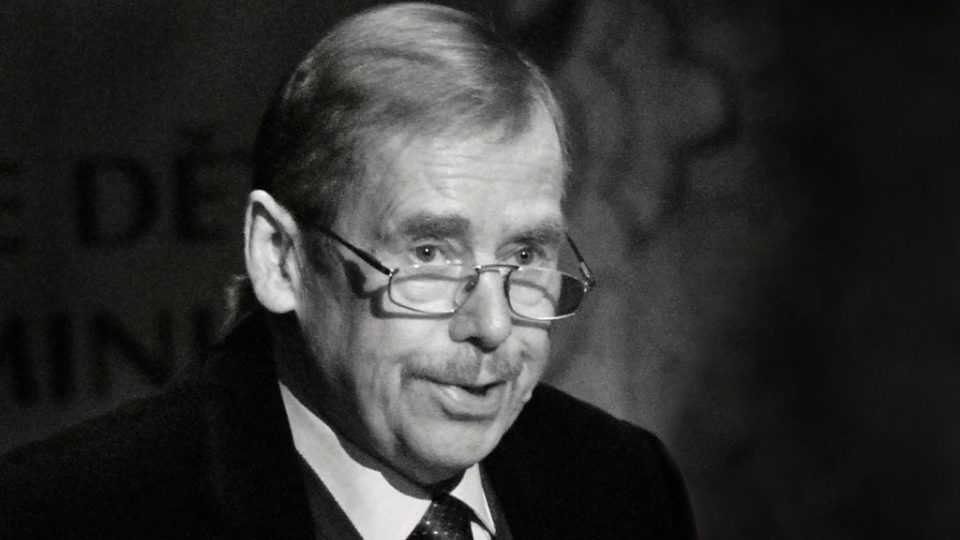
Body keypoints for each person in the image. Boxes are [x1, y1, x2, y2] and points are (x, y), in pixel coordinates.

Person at [0, 3, 695, 538]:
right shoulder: (66, 517)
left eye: (523, 255)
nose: (492, 325)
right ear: (280, 258)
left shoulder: (621, 484)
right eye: (429, 254)